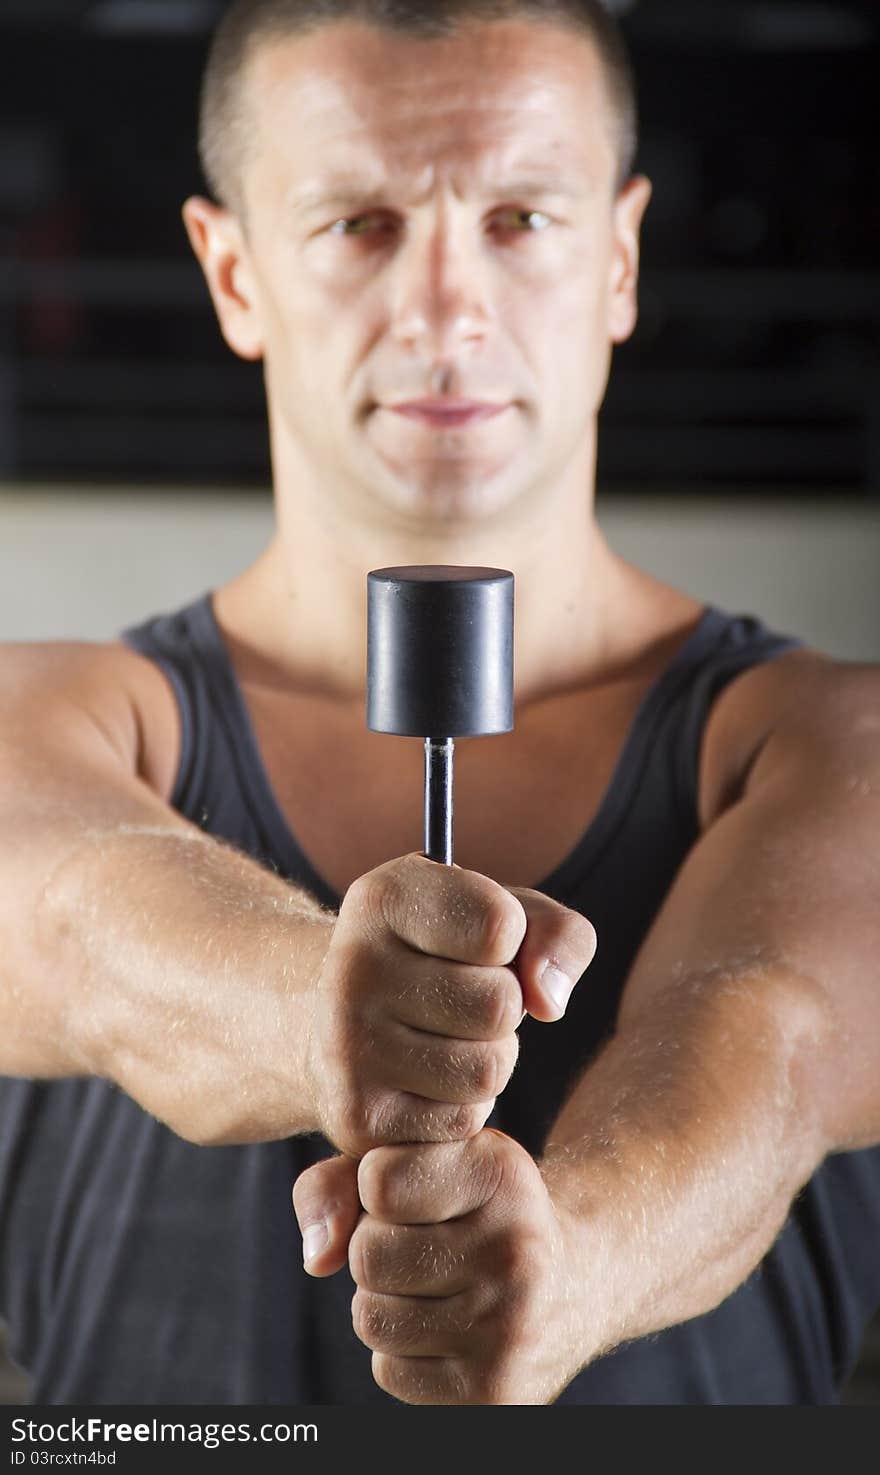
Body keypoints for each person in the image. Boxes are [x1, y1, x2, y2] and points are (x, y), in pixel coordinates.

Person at [1, 0, 878, 1407]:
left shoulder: (839, 744)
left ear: (620, 259)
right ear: (232, 275)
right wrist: (313, 1008)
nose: (448, 309)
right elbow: (77, 918)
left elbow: (769, 1041)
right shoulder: (42, 722)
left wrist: (570, 1261)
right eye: (358, 223)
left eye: (523, 219)